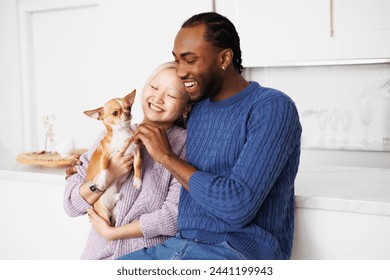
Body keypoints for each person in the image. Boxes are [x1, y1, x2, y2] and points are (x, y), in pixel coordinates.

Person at [118, 12, 302, 260]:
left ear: (224, 58)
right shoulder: (197, 110)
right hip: (180, 245)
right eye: (177, 61)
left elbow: (238, 205)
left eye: (190, 60)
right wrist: (93, 160)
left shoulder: (272, 107)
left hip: (240, 252)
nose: (180, 72)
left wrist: (167, 158)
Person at [63, 62, 190, 260]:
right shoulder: (110, 134)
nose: (158, 98)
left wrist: (111, 233)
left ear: (186, 106)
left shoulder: (185, 145)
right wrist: (108, 176)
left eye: (171, 94)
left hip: (147, 258)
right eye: (154, 87)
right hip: (98, 256)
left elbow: (173, 216)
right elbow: (71, 204)